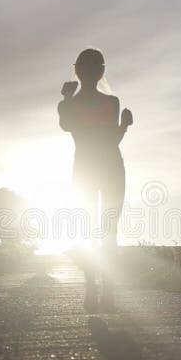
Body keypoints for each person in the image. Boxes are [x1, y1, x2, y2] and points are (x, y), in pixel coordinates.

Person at [57, 48, 133, 312]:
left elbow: (69, 126)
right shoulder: (103, 103)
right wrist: (123, 126)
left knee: (98, 231)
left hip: (92, 168)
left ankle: (98, 291)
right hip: (106, 168)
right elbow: (70, 126)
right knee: (104, 232)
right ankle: (101, 292)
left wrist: (123, 126)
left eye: (91, 68)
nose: (90, 72)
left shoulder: (103, 102)